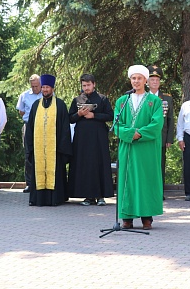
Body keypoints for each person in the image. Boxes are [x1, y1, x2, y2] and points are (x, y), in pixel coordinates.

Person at [114, 65, 163, 230]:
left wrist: (139, 134)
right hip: (127, 147)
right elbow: (116, 125)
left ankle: (146, 217)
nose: (136, 81)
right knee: (127, 180)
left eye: (139, 78)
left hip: (146, 148)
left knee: (145, 179)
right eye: (133, 78)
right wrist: (129, 134)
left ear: (145, 80)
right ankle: (127, 217)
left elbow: (157, 124)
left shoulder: (154, 101)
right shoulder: (122, 101)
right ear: (130, 80)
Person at [25, 74, 72, 206]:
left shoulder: (60, 105)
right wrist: (30, 147)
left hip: (55, 150)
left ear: (52, 88)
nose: (45, 90)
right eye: (43, 87)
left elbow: (65, 129)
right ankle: (37, 199)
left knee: (55, 173)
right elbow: (30, 128)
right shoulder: (35, 105)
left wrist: (62, 148)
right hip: (39, 149)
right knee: (38, 172)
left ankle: (55, 199)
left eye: (47, 87)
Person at [68, 73, 114, 206]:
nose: (86, 88)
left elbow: (110, 115)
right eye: (84, 85)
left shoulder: (102, 99)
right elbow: (70, 118)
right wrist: (79, 114)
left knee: (99, 164)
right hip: (82, 138)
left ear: (94, 84)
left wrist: (94, 115)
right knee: (84, 165)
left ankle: (100, 196)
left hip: (98, 137)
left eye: (88, 85)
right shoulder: (77, 99)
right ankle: (87, 196)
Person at [147, 65, 174, 199]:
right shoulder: (143, 97)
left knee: (159, 165)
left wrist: (169, 139)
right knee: (146, 164)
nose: (155, 82)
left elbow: (170, 119)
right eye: (152, 79)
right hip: (145, 137)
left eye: (157, 80)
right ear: (147, 81)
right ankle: (146, 191)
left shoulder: (167, 98)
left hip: (161, 137)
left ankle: (159, 192)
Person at [16, 74, 42, 193]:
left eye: (37, 86)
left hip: (43, 126)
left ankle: (42, 181)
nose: (35, 88)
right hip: (29, 126)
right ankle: (29, 183)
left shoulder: (46, 93)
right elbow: (21, 111)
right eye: (33, 86)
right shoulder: (24, 95)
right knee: (28, 154)